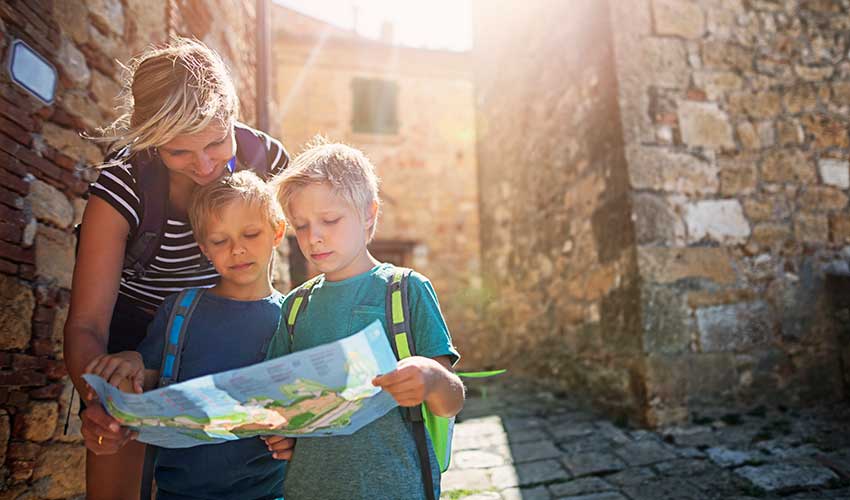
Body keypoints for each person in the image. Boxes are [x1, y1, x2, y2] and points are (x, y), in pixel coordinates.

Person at [63, 38, 293, 499]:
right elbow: (87, 322)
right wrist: (102, 401)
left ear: (233, 116)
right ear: (151, 139)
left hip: (222, 331)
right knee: (115, 476)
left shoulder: (267, 163)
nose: (206, 166)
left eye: (215, 142)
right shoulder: (124, 182)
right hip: (134, 333)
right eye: (179, 153)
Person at [266, 139, 465, 500]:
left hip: (396, 488)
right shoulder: (295, 307)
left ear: (369, 214)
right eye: (301, 225)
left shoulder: (406, 290)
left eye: (329, 220)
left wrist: (432, 378)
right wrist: (281, 431)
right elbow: (281, 402)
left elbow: (451, 401)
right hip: (308, 489)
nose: (314, 237)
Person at [85, 171, 292, 499]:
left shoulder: (293, 317)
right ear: (203, 248)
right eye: (220, 240)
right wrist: (130, 359)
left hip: (266, 493)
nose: (237, 250)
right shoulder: (180, 310)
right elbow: (149, 374)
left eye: (250, 234)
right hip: (178, 492)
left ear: (277, 232)